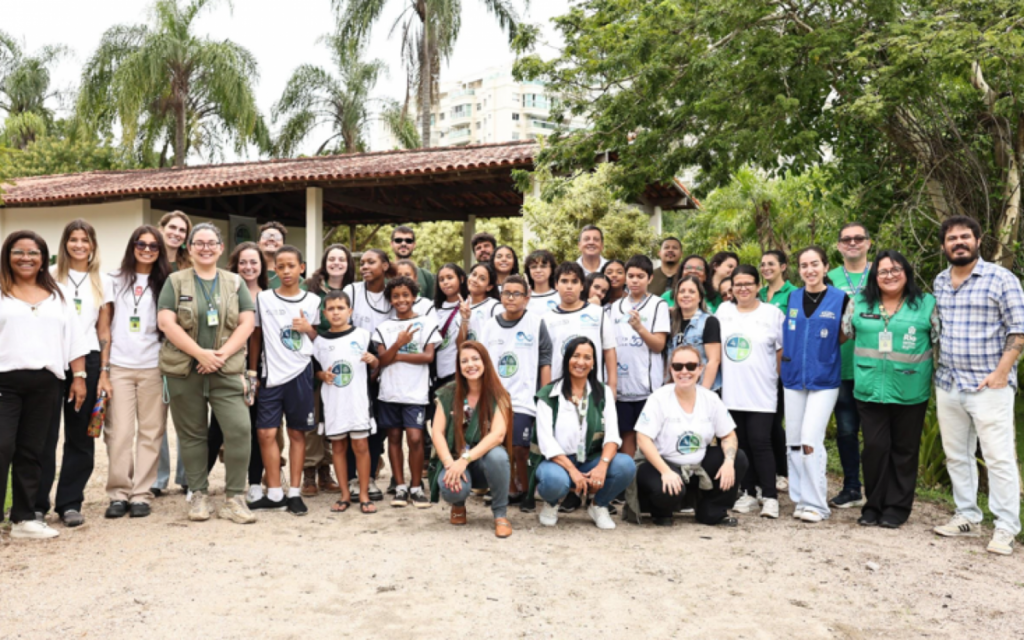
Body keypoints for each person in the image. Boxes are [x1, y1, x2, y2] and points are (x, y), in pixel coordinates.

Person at [931, 216, 1023, 556]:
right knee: (957, 455)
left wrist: (1001, 373)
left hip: (989, 385)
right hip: (949, 382)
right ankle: (967, 516)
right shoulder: (940, 281)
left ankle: (1006, 528)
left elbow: (1018, 329)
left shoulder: (1001, 279)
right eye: (952, 238)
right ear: (944, 245)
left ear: (978, 240)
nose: (959, 242)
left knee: (998, 458)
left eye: (964, 237)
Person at [157, 223, 257, 524]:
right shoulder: (175, 281)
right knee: (192, 434)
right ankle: (198, 495)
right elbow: (166, 322)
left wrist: (220, 356)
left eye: (211, 243)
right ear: (190, 247)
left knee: (239, 430)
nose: (205, 248)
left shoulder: (235, 282)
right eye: (198, 243)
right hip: (185, 369)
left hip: (225, 369)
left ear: (221, 247)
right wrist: (199, 353)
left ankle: (234, 497)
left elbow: (247, 323)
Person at [0, 230, 88, 539]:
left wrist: (79, 376)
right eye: (18, 252)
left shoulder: (59, 294)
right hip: (5, 382)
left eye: (33, 252)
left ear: (43, 258)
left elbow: (74, 339)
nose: (26, 258)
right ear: (7, 257)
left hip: (48, 382)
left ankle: (25, 518)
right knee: (3, 445)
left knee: (34, 449)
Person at [841, 250, 937, 529]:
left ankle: (897, 508)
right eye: (883, 271)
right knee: (874, 448)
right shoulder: (858, 303)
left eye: (896, 269)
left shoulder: (926, 304)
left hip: (911, 390)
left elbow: (938, 340)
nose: (890, 275)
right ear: (875, 276)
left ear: (907, 273)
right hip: (869, 389)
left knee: (904, 451)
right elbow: (848, 332)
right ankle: (873, 505)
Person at [35, 220, 108, 528]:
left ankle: (70, 502)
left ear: (92, 244)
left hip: (89, 360)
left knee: (80, 435)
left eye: (85, 240)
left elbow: (104, 330)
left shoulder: (103, 280)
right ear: (64, 244)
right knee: (43, 435)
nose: (79, 245)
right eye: (73, 239)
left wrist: (104, 371)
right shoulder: (49, 276)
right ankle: (35, 503)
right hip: (53, 360)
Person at [98, 226, 172, 519]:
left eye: (153, 246)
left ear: (160, 251)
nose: (147, 249)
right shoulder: (113, 280)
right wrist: (104, 370)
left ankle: (141, 493)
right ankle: (118, 493)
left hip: (154, 366)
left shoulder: (167, 282)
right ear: (132, 246)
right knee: (118, 433)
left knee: (152, 433)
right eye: (141, 244)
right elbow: (104, 327)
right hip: (119, 366)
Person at [629, 345, 747, 527]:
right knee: (667, 491)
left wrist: (728, 463)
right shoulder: (659, 398)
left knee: (738, 458)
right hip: (662, 463)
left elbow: (729, 435)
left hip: (697, 464)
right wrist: (666, 471)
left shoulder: (711, 399)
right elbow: (643, 439)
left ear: (700, 369)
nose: (684, 371)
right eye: (678, 366)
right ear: (671, 369)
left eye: (691, 366)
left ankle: (713, 511)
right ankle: (661, 511)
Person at [533, 337, 636, 529]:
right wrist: (572, 470)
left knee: (626, 465)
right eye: (576, 356)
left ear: (594, 362)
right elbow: (546, 441)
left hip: (591, 460)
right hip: (558, 462)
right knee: (555, 481)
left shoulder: (602, 392)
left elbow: (613, 436)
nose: (581, 362)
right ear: (566, 360)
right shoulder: (549, 394)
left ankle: (598, 505)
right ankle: (552, 503)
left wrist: (602, 467)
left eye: (587, 357)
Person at [249, 245, 321, 516]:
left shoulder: (312, 301)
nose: (287, 271)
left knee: (296, 433)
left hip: (301, 373)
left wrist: (308, 329)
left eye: (292, 265)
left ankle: (294, 493)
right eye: (281, 266)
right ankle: (275, 492)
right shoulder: (264, 299)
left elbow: (319, 339)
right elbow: (256, 335)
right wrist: (253, 371)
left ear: (301, 268)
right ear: (275, 270)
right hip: (270, 375)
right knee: (265, 432)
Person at [781, 246, 848, 523]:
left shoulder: (839, 298)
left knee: (811, 440)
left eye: (815, 264)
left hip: (824, 380)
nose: (809, 270)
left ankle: (817, 504)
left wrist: (823, 355)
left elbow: (843, 335)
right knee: (794, 442)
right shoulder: (793, 297)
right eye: (804, 265)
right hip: (794, 377)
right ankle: (799, 498)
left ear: (825, 266)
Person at [715, 266, 785, 519]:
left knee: (761, 442)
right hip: (732, 392)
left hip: (762, 391)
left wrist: (778, 382)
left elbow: (780, 352)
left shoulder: (773, 313)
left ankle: (770, 496)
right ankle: (748, 492)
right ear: (731, 288)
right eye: (738, 284)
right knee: (740, 444)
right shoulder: (723, 311)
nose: (743, 288)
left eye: (748, 284)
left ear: (758, 287)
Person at [479, 274, 551, 513]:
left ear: (527, 298)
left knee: (521, 448)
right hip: (494, 399)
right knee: (500, 447)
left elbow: (545, 360)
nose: (511, 297)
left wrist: (544, 396)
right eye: (506, 293)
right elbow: (482, 363)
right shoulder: (489, 326)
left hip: (523, 399)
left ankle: (527, 490)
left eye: (516, 293)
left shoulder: (537, 323)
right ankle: (509, 489)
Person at [207, 242, 274, 503]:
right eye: (243, 262)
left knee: (256, 427)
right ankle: (198, 484)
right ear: (235, 265)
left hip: (261, 371)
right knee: (218, 429)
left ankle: (255, 482)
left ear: (262, 266)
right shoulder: (223, 292)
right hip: (226, 368)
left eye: (254, 262)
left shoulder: (269, 296)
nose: (248, 267)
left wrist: (254, 372)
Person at [430, 341, 514, 537]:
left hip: (483, 462)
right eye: (464, 361)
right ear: (459, 367)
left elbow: (498, 435)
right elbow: (437, 433)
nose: (471, 365)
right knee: (452, 489)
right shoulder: (448, 393)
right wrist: (450, 464)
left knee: (498, 456)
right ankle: (458, 505)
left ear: (485, 362)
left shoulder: (499, 394)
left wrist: (465, 459)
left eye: (476, 359)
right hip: (455, 459)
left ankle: (500, 514)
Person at [374, 276, 441, 508]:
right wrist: (398, 344)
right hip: (389, 393)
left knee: (415, 438)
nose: (401, 300)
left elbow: (428, 356)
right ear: (390, 300)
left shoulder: (427, 323)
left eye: (405, 295)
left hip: (416, 393)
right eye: (395, 296)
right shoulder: (384, 327)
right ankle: (400, 487)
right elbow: (381, 360)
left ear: (414, 297)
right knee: (393, 438)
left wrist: (397, 355)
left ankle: (416, 486)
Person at [312, 290, 378, 515]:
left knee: (361, 446)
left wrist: (373, 359)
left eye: (340, 308)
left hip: (357, 402)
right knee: (338, 447)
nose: (336, 312)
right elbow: (314, 371)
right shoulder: (319, 342)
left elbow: (377, 361)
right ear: (324, 313)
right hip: (334, 404)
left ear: (350, 311)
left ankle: (364, 493)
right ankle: (344, 494)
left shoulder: (362, 335)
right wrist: (323, 376)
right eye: (331, 309)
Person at [300, 244, 354, 497]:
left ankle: (326, 472)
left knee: (334, 415)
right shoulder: (310, 290)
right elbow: (304, 326)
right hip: (313, 360)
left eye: (341, 259)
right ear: (324, 262)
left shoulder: (354, 289)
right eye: (331, 259)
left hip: (343, 361)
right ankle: (309, 472)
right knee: (312, 417)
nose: (336, 263)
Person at [827, 222, 872, 509]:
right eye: (847, 239)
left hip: (876, 366)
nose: (853, 243)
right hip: (841, 364)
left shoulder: (883, 272)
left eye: (858, 238)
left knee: (875, 434)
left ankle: (879, 489)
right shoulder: (829, 277)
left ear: (869, 243)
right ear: (839, 245)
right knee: (845, 430)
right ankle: (852, 487)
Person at [342, 249, 393, 501]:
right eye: (362, 263)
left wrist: (379, 365)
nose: (364, 266)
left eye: (371, 262)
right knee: (354, 421)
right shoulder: (351, 291)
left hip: (385, 361)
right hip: (355, 360)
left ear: (385, 265)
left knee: (375, 426)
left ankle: (369, 477)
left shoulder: (393, 294)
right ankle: (353, 478)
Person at [607, 256, 669, 458]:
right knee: (626, 435)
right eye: (631, 276)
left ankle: (650, 482)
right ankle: (630, 484)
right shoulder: (615, 307)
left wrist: (639, 328)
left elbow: (659, 345)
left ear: (650, 278)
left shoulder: (658, 305)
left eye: (640, 276)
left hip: (648, 388)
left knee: (649, 436)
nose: (635, 280)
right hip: (622, 387)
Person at [154, 211, 192, 496]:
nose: (177, 233)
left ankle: (187, 476)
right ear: (161, 228)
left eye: (182, 230)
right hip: (150, 346)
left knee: (186, 417)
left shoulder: (189, 266)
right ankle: (157, 478)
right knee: (156, 418)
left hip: (184, 347)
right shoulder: (146, 260)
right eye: (173, 227)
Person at [541, 262, 618, 390]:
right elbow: (545, 361)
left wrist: (613, 386)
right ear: (556, 285)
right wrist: (546, 391)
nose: (569, 286)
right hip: (558, 390)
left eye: (574, 281)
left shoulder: (598, 313)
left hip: (593, 390)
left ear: (582, 286)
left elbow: (609, 350)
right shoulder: (546, 319)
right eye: (564, 281)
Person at [758, 249, 796, 492]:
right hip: (759, 369)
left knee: (775, 422)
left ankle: (783, 472)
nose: (765, 268)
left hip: (784, 366)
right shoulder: (758, 293)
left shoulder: (793, 293)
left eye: (771, 264)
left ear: (783, 267)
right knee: (764, 423)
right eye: (762, 264)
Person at [668, 275, 721, 392]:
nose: (686, 295)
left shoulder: (709, 321)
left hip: (702, 388)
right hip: (676, 390)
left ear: (700, 297)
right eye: (682, 291)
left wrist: (703, 392)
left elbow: (714, 360)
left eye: (692, 292)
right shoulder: (669, 322)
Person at [433, 263, 469, 391]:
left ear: (461, 279)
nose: (445, 282)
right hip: (437, 373)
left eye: (450, 277)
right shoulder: (435, 309)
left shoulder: (468, 305)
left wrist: (465, 318)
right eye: (441, 280)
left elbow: (461, 343)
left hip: (457, 371)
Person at [459, 262, 500, 342]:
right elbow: (460, 345)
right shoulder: (463, 306)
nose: (475, 280)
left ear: (489, 287)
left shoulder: (494, 307)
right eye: (473, 274)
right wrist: (465, 320)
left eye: (482, 279)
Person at [390, 225, 434, 299]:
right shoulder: (382, 275)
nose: (403, 243)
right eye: (398, 240)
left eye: (408, 241)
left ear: (414, 245)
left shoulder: (426, 276)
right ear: (391, 244)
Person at [524, 249, 558, 315]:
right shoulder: (523, 297)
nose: (538, 270)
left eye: (543, 266)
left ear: (551, 269)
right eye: (533, 267)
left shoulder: (560, 296)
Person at [258, 221, 288, 288]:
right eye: (266, 236)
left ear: (283, 246)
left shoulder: (293, 278)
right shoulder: (248, 272)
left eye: (277, 237)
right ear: (258, 243)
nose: (271, 239)